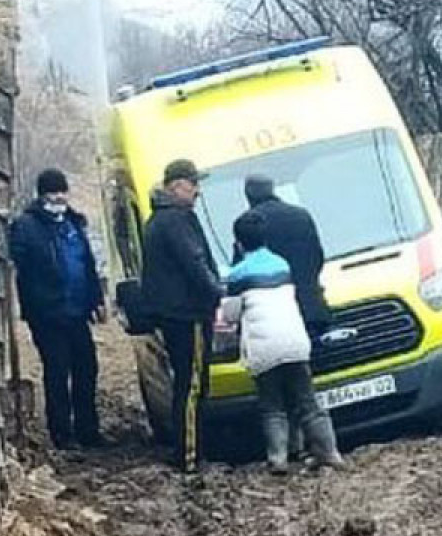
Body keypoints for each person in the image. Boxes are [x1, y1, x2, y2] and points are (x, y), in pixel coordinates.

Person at [222, 211, 345, 474]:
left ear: (238, 242)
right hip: (295, 342)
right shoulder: (282, 264)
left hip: (264, 350)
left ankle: (278, 458)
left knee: (272, 406)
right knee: (308, 401)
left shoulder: (237, 275)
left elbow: (230, 315)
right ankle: (330, 452)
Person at [7, 168, 104, 452]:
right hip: (47, 314)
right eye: (53, 192)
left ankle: (89, 430)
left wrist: (96, 300)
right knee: (57, 371)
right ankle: (62, 433)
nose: (59, 197)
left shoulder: (73, 224)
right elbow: (16, 263)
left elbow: (87, 266)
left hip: (77, 311)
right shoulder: (26, 226)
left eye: (62, 191)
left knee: (87, 368)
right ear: (42, 195)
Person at [140, 158, 224, 471]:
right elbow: (194, 262)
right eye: (194, 184)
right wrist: (218, 293)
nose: (198, 192)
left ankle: (192, 451)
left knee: (188, 383)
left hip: (175, 314)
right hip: (187, 315)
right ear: (176, 186)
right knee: (191, 386)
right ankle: (189, 456)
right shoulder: (176, 220)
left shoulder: (158, 220)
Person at [237, 175, 331, 338]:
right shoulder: (300, 214)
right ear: (272, 189)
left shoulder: (249, 225)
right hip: (314, 306)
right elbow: (317, 256)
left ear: (247, 195)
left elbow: (242, 275)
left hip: (280, 317)